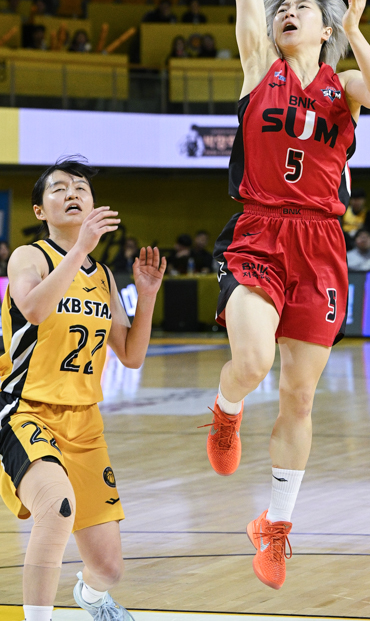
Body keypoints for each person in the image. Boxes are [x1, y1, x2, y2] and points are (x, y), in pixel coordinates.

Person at [206, 0, 370, 589]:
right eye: (285, 9)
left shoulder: (343, 85)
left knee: (300, 395)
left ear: (326, 27)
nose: (289, 13)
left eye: (303, 9)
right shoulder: (260, 68)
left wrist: (357, 30)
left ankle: (275, 528)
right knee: (253, 364)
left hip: (321, 245)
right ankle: (226, 409)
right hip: (259, 231)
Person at [0, 157, 165, 621]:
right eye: (59, 188)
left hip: (85, 423)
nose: (72, 193)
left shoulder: (104, 276)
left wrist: (147, 295)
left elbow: (131, 354)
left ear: (92, 205)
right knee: (57, 507)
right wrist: (78, 250)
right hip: (24, 410)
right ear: (40, 210)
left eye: (81, 188)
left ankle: (91, 597)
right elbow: (34, 309)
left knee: (109, 568)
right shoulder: (30, 257)